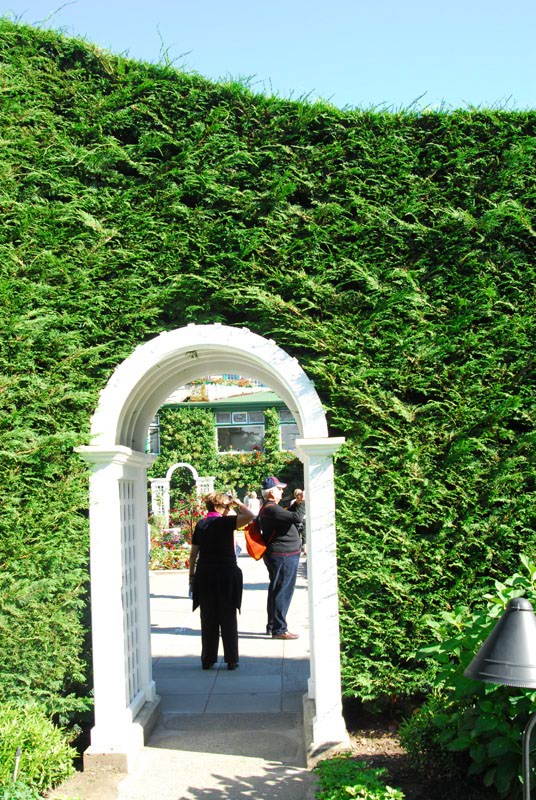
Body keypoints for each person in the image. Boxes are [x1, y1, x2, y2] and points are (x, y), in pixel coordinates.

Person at [189, 491, 254, 670]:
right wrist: (238, 503)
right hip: (226, 574)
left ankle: (208, 658)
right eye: (226, 505)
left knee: (208, 617)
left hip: (206, 574)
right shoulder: (226, 522)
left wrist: (191, 576)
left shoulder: (201, 524)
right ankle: (231, 659)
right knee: (228, 616)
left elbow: (193, 553)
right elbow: (250, 516)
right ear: (218, 507)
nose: (228, 508)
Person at [259, 476, 305, 640]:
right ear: (271, 492)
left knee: (277, 589)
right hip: (284, 555)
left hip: (280, 554)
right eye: (279, 489)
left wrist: (297, 504)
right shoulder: (272, 508)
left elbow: (287, 515)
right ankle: (279, 629)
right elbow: (296, 518)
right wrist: (304, 502)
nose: (282, 492)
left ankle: (273, 625)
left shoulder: (270, 507)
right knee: (283, 591)